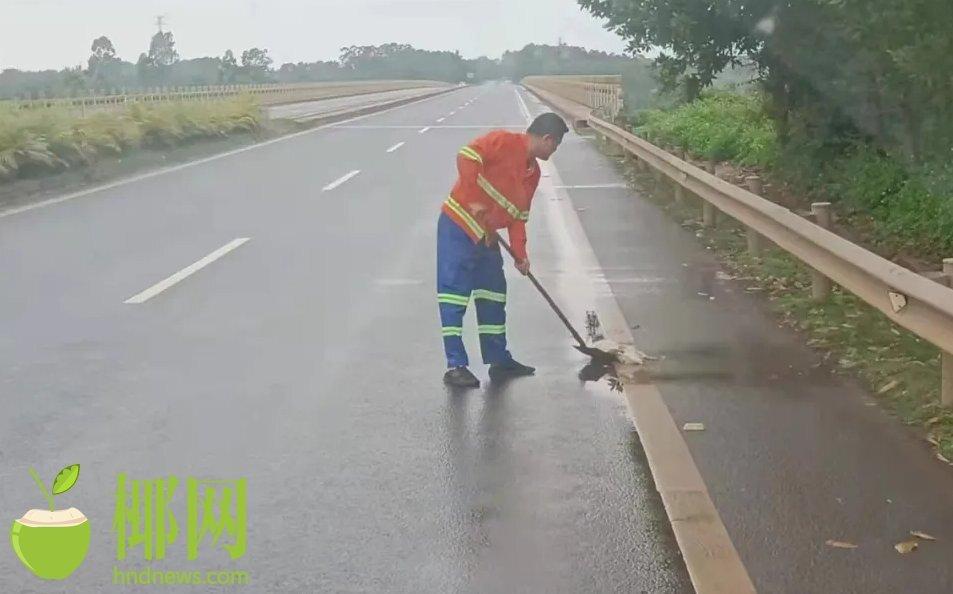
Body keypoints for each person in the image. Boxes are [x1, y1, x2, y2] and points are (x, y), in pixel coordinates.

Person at [437, 112, 569, 388]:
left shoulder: (532, 174)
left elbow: (518, 216)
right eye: (555, 145)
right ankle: (456, 366)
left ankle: (499, 360)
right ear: (546, 139)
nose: (554, 151)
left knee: (493, 293)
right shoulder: (503, 141)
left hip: (487, 235)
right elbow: (466, 156)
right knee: (455, 295)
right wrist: (474, 199)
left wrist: (521, 255)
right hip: (459, 224)